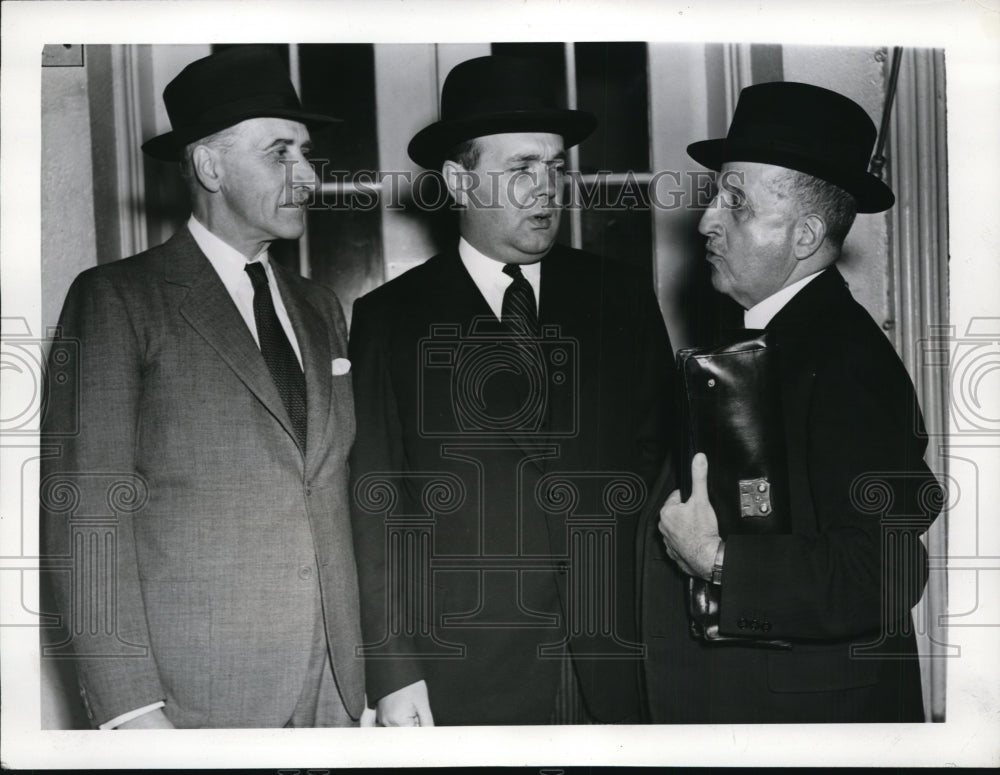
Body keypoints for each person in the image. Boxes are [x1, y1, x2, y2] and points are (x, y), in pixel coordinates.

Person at [41, 46, 365, 729]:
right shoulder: (118, 299)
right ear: (211, 166)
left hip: (335, 694)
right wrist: (130, 709)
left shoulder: (320, 308)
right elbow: (86, 515)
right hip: (198, 699)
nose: (308, 175)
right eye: (280, 153)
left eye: (307, 153)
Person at [348, 55, 673, 726]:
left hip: (619, 656)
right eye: (521, 168)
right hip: (467, 667)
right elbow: (378, 508)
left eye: (555, 167)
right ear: (459, 181)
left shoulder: (620, 296)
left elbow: (659, 459)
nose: (546, 189)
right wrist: (393, 671)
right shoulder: (389, 319)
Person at [638, 81, 940, 723]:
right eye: (716, 195)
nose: (706, 221)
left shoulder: (846, 361)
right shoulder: (774, 341)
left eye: (736, 203)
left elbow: (885, 571)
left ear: (804, 235)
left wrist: (716, 560)